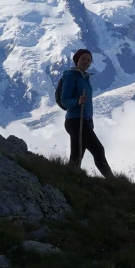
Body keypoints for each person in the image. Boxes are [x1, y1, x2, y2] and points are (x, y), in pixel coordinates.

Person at [54, 48, 113, 178]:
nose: (86, 62)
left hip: (84, 121)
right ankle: (114, 182)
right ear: (77, 60)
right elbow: (64, 100)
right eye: (83, 59)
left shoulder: (84, 76)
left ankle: (70, 181)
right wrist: (77, 101)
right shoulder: (70, 75)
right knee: (98, 150)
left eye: (89, 60)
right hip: (75, 121)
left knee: (76, 156)